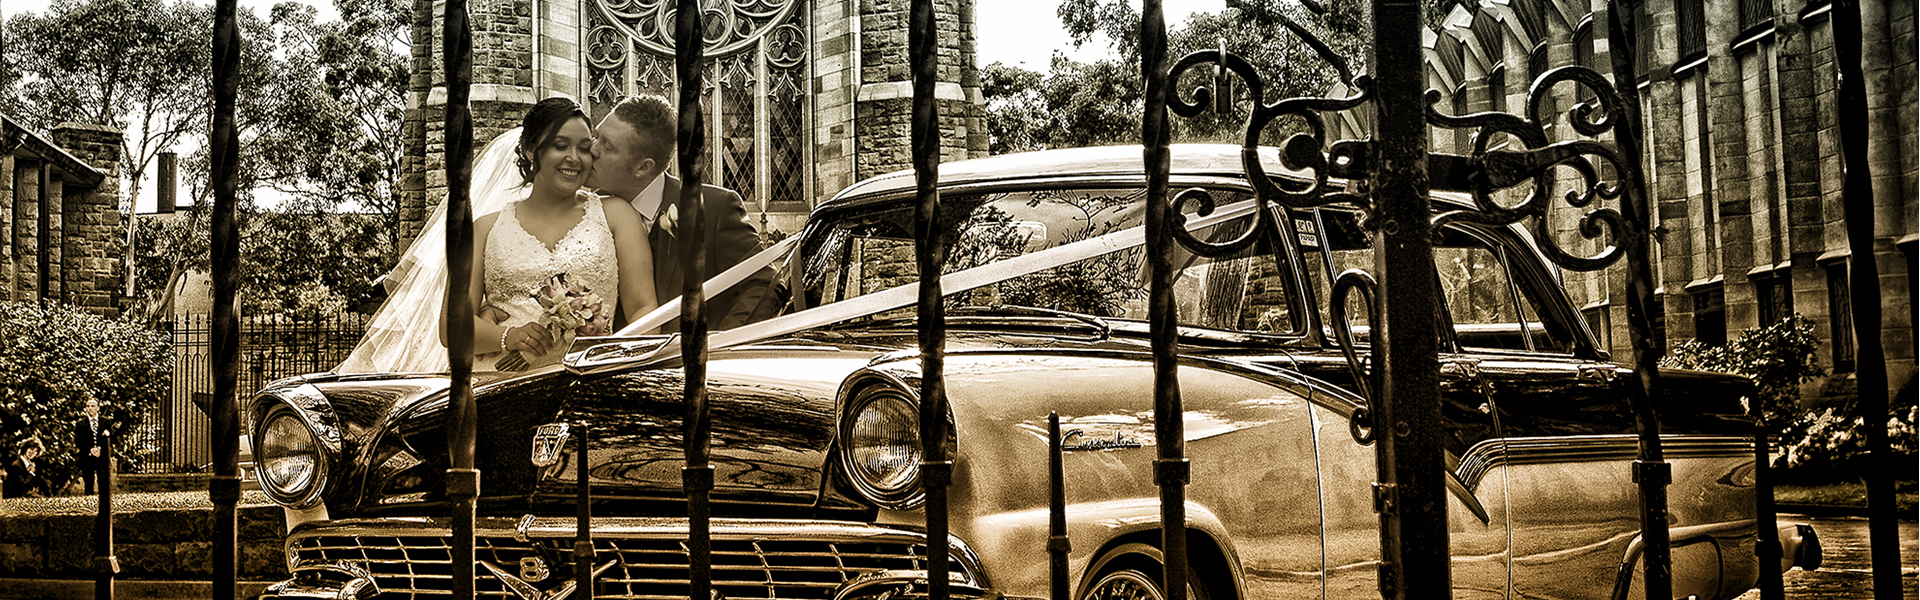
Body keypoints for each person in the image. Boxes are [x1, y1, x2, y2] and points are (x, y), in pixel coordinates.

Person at [337, 97, 657, 373]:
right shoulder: (485, 229)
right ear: (530, 150)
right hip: (498, 383)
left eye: (584, 147)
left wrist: (611, 358)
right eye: (560, 145)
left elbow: (645, 310)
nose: (574, 157)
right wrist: (509, 337)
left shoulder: (616, 215)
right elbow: (452, 327)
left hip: (590, 380)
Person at [586, 95, 780, 331]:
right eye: (596, 136)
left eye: (607, 146)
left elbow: (764, 282)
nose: (591, 149)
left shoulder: (715, 208)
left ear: (643, 167)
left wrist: (719, 343)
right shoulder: (585, 214)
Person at [73, 398, 104, 494]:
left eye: (93, 406)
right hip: (87, 456)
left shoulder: (105, 422)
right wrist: (90, 450)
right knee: (88, 480)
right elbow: (78, 440)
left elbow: (110, 438)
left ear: (98, 408)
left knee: (103, 480)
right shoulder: (80, 424)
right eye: (88, 406)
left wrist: (100, 449)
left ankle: (104, 500)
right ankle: (89, 499)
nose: (90, 408)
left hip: (101, 455)